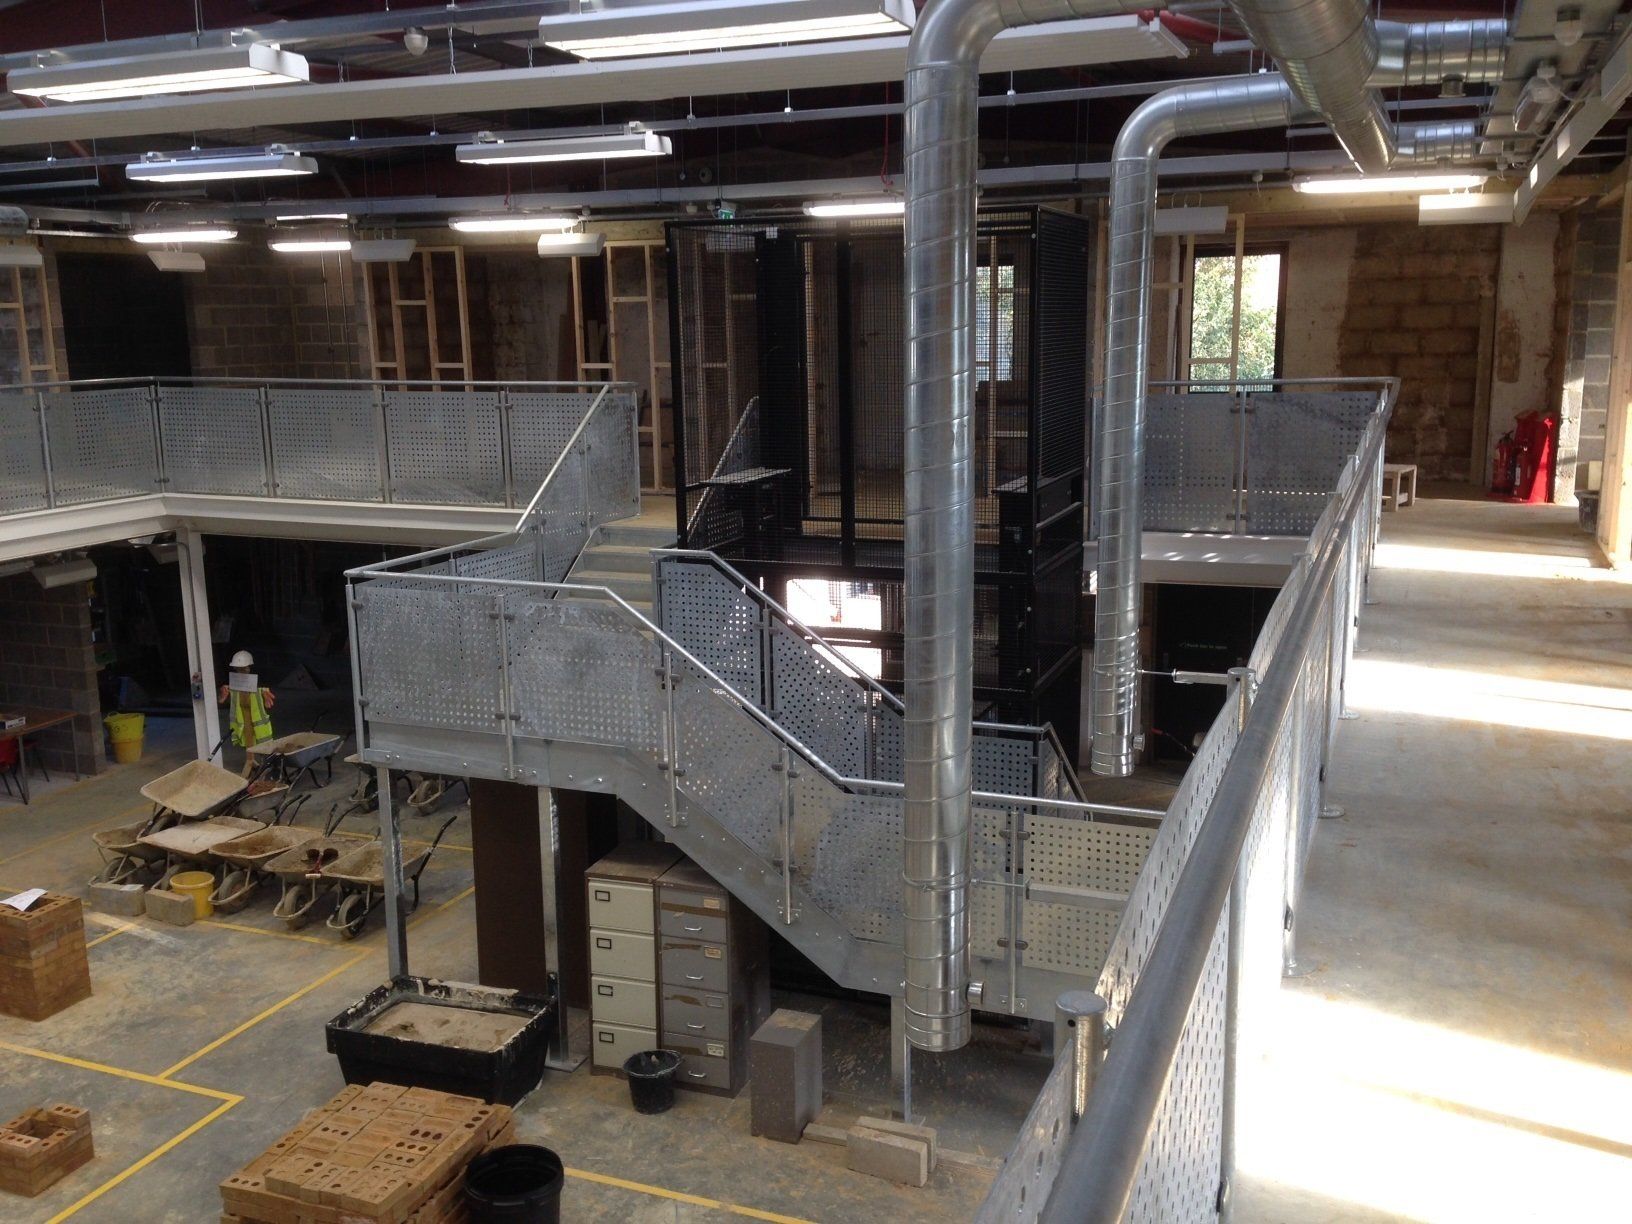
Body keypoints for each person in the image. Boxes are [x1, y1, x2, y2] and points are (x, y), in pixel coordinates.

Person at [218, 650, 275, 777]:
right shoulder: (235, 685)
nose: (242, 671)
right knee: (250, 745)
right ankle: (251, 761)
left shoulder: (258, 685)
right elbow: (222, 700)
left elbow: (265, 699)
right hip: (244, 722)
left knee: (263, 747)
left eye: (243, 668)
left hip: (257, 724)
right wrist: (224, 693)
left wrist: (264, 695)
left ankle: (265, 766)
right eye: (238, 669)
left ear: (249, 667)